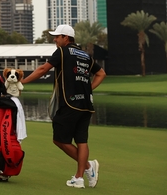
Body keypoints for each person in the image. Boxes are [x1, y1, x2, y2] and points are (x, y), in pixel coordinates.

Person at [21, 24, 106, 189]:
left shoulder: (62, 51)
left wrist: (22, 82)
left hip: (70, 103)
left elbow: (43, 69)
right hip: (86, 104)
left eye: (57, 37)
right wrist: (88, 88)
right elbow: (101, 73)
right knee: (81, 140)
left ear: (66, 38)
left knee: (59, 140)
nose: (55, 39)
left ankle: (88, 167)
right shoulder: (85, 55)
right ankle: (80, 178)